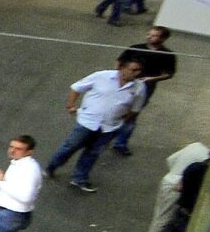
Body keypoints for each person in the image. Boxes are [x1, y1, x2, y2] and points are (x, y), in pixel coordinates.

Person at [46, 60, 146, 192]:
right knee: (70, 146)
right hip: (87, 122)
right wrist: (71, 105)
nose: (136, 73)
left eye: (138, 71)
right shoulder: (102, 76)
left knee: (93, 152)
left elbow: (135, 109)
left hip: (109, 127)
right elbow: (77, 87)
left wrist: (121, 120)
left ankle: (79, 178)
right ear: (122, 68)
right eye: (133, 70)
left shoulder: (139, 87)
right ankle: (52, 167)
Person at [112, 24, 178, 155]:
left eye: (154, 36)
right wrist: (116, 75)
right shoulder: (136, 48)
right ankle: (106, 134)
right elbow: (119, 61)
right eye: (149, 34)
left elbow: (169, 74)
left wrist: (150, 79)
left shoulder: (168, 55)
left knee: (132, 115)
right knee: (114, 107)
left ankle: (120, 142)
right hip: (124, 83)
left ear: (163, 39)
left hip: (145, 87)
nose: (150, 37)